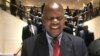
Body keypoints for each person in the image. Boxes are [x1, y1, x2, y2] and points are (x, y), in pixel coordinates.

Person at [21, 2, 88, 56]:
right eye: (50, 18)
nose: (55, 22)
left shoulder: (79, 45)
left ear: (64, 20)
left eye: (59, 18)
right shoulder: (28, 46)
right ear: (43, 21)